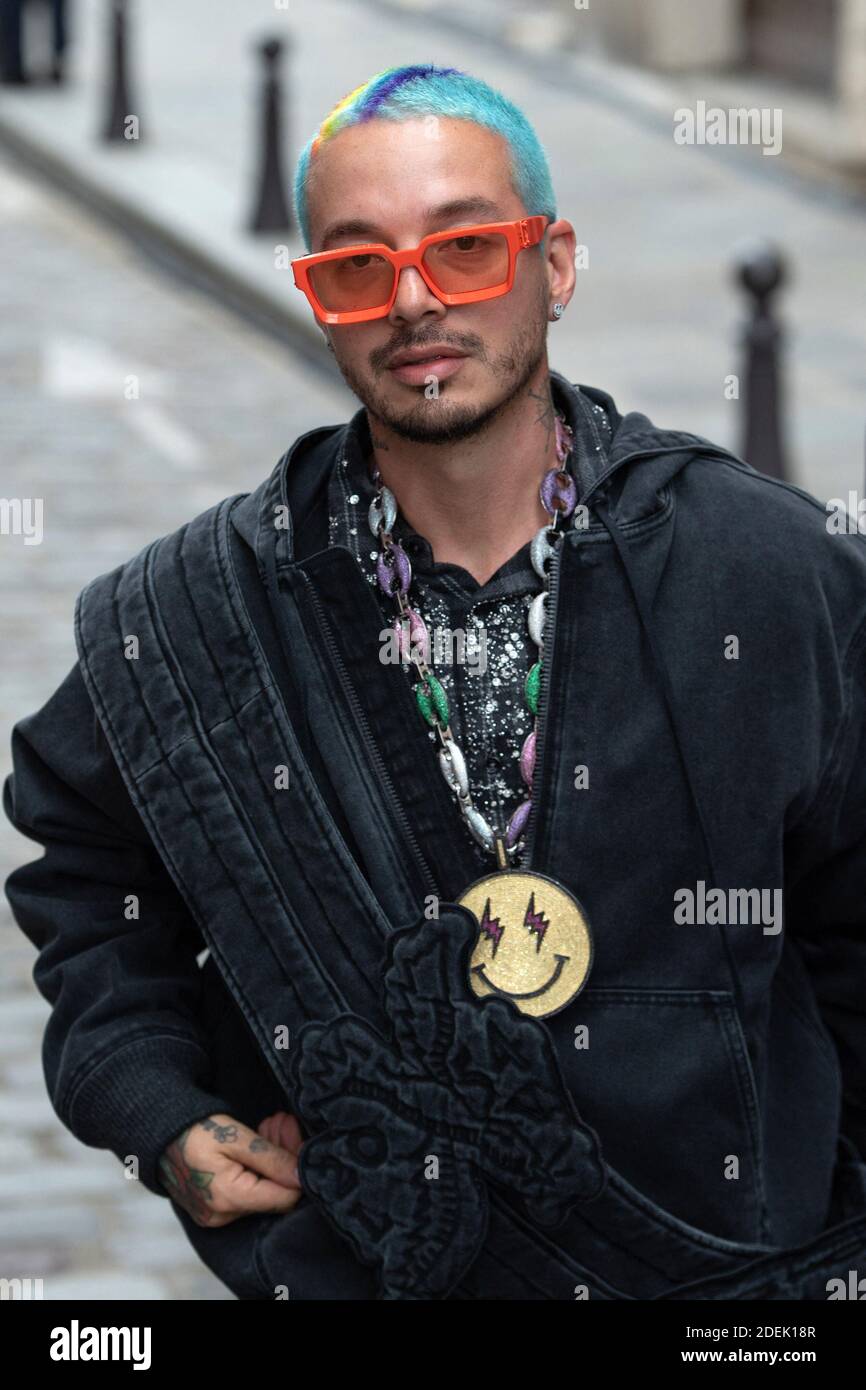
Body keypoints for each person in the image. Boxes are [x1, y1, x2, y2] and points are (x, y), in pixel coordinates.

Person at [5, 63, 866, 1302]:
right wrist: (157, 1107)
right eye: (356, 264)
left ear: (552, 263)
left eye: (464, 246)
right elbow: (84, 870)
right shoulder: (193, 609)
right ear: (318, 298)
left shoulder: (769, 576)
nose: (413, 299)